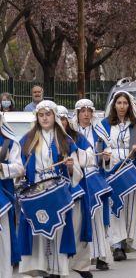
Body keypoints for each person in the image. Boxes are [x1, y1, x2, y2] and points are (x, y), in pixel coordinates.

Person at [18, 100, 84, 277]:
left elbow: (76, 172)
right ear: (37, 117)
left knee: (58, 229)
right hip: (36, 192)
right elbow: (19, 166)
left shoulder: (65, 140)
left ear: (54, 116)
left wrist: (70, 166)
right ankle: (43, 268)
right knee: (39, 230)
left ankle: (56, 269)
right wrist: (20, 171)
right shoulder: (27, 139)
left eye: (48, 114)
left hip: (57, 193)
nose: (45, 118)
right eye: (41, 115)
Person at [101, 91, 136, 262]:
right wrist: (106, 157)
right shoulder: (105, 125)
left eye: (125, 103)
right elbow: (100, 146)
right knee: (115, 206)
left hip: (132, 171)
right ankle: (116, 245)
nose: (122, 106)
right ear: (114, 105)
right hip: (113, 171)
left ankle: (126, 241)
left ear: (129, 105)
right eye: (119, 103)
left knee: (130, 208)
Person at [71, 98, 114, 271]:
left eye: (89, 111)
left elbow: (109, 150)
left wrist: (106, 157)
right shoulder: (71, 132)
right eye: (82, 111)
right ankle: (83, 257)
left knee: (96, 217)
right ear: (77, 113)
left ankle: (101, 255)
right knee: (80, 218)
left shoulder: (98, 130)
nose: (86, 114)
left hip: (95, 177)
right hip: (77, 178)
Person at [57, 105, 95, 278]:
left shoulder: (75, 138)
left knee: (76, 227)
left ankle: (80, 265)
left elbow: (90, 157)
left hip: (74, 189)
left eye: (63, 118)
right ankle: (55, 268)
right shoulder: (40, 139)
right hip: (51, 192)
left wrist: (73, 162)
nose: (61, 122)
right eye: (58, 118)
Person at [0, 112, 23, 277]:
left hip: (3, 200)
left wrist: (2, 168)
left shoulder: (10, 142)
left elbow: (19, 168)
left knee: (3, 244)